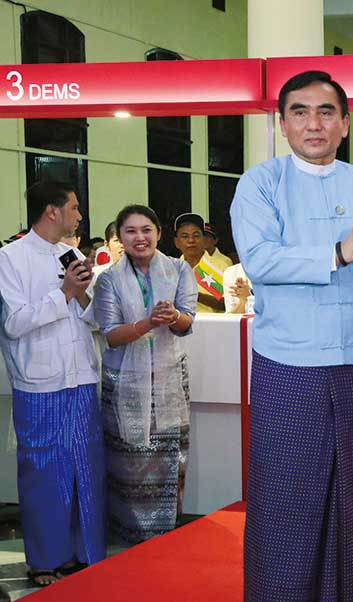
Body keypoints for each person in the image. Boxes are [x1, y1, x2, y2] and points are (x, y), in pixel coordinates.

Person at [230, 70, 353, 602]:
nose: (314, 124)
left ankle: (347, 591)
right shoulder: (260, 183)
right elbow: (259, 260)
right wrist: (336, 252)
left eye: (326, 112)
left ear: (345, 124)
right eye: (300, 112)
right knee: (286, 494)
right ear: (283, 124)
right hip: (289, 362)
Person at [0, 181, 105, 587]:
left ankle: (84, 553)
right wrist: (64, 293)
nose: (79, 215)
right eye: (74, 207)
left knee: (84, 467)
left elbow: (93, 319)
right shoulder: (11, 258)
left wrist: (83, 295)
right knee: (43, 472)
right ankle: (45, 560)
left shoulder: (72, 254)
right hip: (39, 383)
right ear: (52, 211)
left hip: (81, 377)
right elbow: (14, 323)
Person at [93, 204, 198, 543]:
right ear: (120, 238)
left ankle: (164, 535)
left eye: (146, 230)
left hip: (168, 379)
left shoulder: (179, 270)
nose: (139, 237)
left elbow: (187, 324)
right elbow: (111, 335)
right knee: (128, 460)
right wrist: (147, 323)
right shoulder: (108, 278)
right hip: (125, 382)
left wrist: (173, 317)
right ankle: (128, 537)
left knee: (169, 459)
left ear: (158, 233)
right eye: (130, 231)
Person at [174, 213, 225, 313]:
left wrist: (194, 295)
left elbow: (228, 304)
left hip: (213, 322)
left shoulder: (221, 265)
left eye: (196, 235)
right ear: (177, 242)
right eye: (185, 236)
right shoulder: (171, 269)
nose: (191, 240)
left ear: (203, 239)